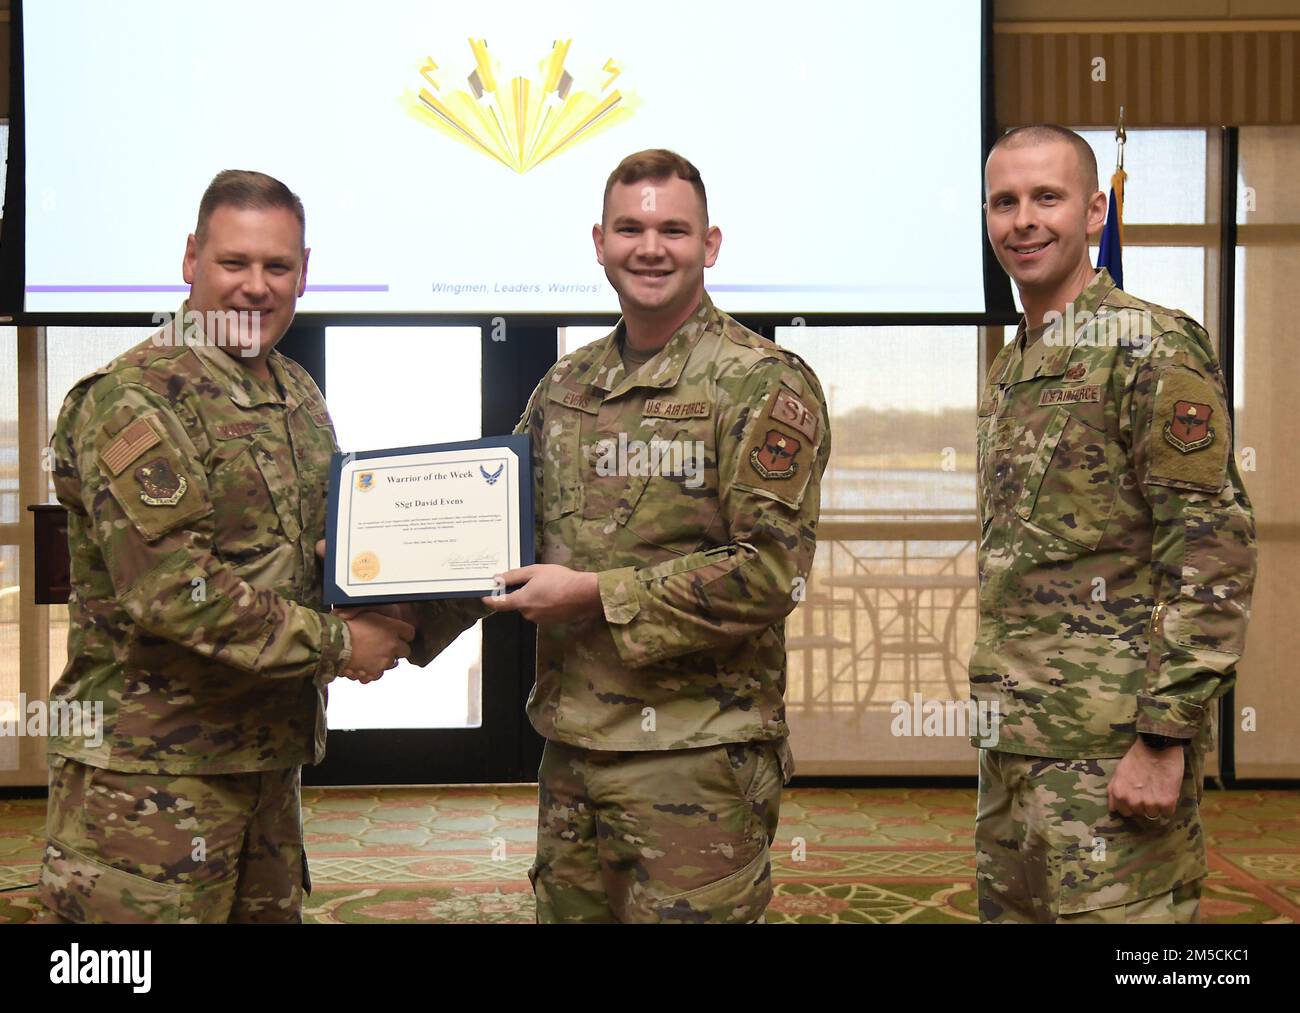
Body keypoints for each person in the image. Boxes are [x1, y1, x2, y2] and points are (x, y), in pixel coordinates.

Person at [395, 149, 830, 922]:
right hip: (574, 754)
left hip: (696, 762)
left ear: (712, 243)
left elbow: (768, 574)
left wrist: (596, 595)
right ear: (599, 242)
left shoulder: (761, 381)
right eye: (630, 228)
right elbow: (498, 530)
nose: (650, 247)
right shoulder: (567, 386)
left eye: (673, 229)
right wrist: (387, 599)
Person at [40, 170, 413, 924]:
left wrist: (406, 592)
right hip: (149, 786)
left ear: (304, 271)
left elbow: (311, 554)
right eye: (233, 263)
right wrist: (343, 642)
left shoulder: (297, 394)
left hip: (263, 764)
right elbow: (175, 592)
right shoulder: (134, 398)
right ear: (190, 260)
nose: (255, 287)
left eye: (277, 267)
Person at [972, 125, 1257, 923]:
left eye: (1047, 198)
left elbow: (1212, 555)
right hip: (1018, 750)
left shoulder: (1150, 347)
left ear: (1095, 210)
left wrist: (1165, 739)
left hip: (1114, 753)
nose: (1023, 220)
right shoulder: (1016, 363)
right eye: (1005, 202)